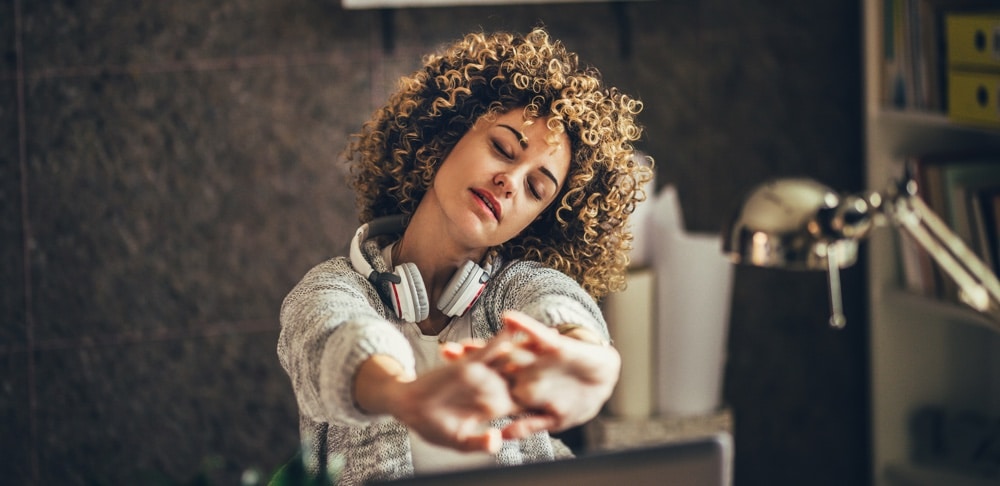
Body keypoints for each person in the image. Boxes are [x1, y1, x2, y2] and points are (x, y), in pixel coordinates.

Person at [277, 27, 652, 485]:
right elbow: (334, 338)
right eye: (503, 148)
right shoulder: (332, 288)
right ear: (448, 133)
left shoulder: (513, 288)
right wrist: (403, 394)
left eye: (536, 188)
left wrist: (596, 359)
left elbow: (559, 307)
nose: (511, 182)